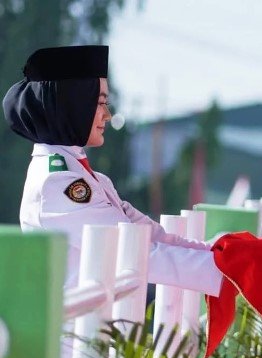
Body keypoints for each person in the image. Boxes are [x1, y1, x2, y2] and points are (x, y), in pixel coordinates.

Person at [4, 45, 223, 297]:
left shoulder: (85, 177)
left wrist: (218, 252)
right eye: (99, 103)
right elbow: (132, 250)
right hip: (73, 333)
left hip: (97, 328)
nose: (107, 115)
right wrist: (226, 272)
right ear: (71, 106)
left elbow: (150, 236)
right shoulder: (57, 182)